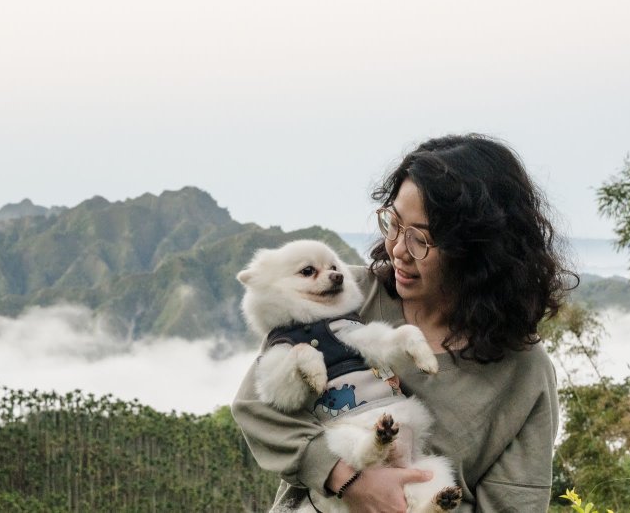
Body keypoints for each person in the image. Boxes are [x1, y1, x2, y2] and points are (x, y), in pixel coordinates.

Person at [232, 134, 576, 512]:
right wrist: (347, 479)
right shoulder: (346, 296)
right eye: (394, 223)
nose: (398, 249)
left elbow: (515, 504)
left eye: (421, 240)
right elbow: (256, 407)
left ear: (479, 251)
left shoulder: (523, 373)